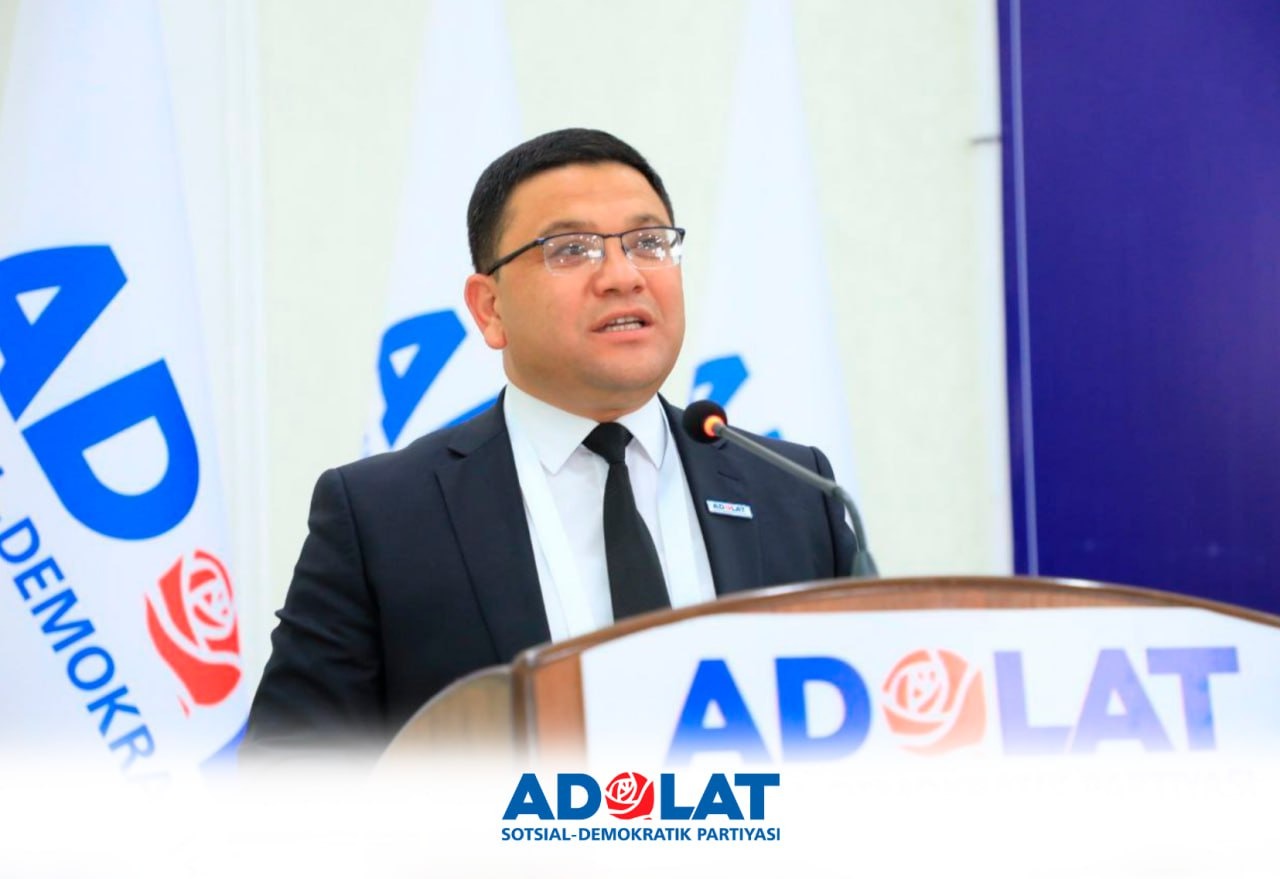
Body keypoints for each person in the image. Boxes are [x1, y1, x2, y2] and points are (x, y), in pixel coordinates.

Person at [243, 128, 856, 755]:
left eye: (649, 243)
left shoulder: (796, 492)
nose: (623, 276)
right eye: (571, 250)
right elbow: (288, 771)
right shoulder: (383, 514)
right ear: (490, 308)